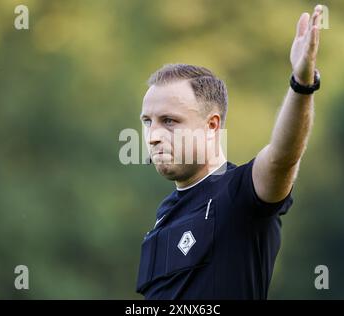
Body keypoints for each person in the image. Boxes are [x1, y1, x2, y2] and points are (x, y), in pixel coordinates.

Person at [136, 5, 323, 299]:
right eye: (148, 122)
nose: (154, 136)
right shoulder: (165, 214)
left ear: (212, 126)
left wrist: (301, 84)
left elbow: (282, 157)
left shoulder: (239, 194)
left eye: (169, 121)